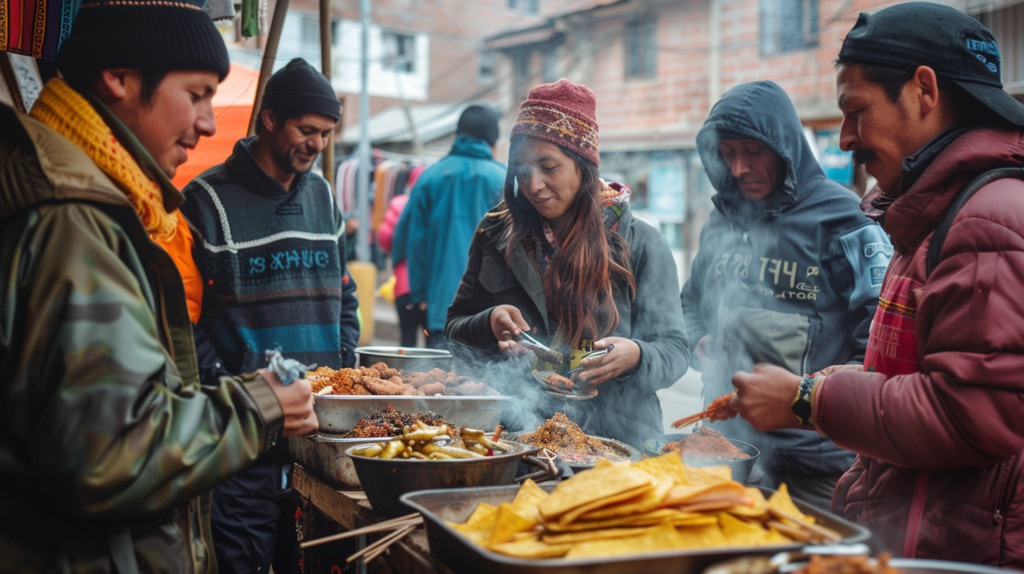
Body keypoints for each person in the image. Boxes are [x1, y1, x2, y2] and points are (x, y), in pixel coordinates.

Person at [0, 1, 318, 572]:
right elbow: (110, 455)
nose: (209, 122)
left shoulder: (105, 198)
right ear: (119, 78)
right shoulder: (72, 217)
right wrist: (261, 402)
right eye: (196, 93)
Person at [726, 3, 1024, 565]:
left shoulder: (988, 219)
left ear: (923, 92)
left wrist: (808, 399)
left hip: (962, 551)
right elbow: (932, 371)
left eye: (856, 111)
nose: (843, 139)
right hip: (915, 530)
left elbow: (970, 414)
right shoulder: (931, 216)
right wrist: (851, 378)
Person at [179, 58, 359, 574]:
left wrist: (342, 360)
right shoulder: (204, 201)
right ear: (270, 119)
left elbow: (345, 293)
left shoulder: (324, 197)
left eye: (326, 134)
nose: (318, 144)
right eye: (308, 130)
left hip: (318, 442)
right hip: (244, 445)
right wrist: (241, 387)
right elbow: (186, 324)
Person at [679, 81, 891, 509]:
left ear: (784, 148)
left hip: (814, 461)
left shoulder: (843, 220)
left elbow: (878, 341)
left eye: (752, 150)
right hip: (724, 447)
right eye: (727, 152)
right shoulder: (721, 219)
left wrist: (817, 399)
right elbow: (689, 303)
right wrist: (698, 339)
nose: (738, 168)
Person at [445, 80, 690, 449]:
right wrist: (488, 322)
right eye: (522, 170)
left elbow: (674, 351)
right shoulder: (495, 233)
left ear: (583, 165)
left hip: (617, 445)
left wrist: (636, 356)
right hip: (516, 438)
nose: (534, 185)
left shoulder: (641, 244)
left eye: (548, 167)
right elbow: (453, 329)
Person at [395, 105, 506, 348]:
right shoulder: (505, 180)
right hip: (491, 314)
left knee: (434, 383)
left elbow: (412, 241)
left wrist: (420, 294)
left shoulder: (429, 177)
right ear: (492, 142)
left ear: (458, 135)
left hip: (440, 309)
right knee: (485, 384)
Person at [378, 193, 426, 347]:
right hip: (428, 290)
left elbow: (384, 238)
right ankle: (431, 371)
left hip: (403, 288)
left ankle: (407, 371)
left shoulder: (399, 204)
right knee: (432, 343)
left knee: (407, 339)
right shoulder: (434, 205)